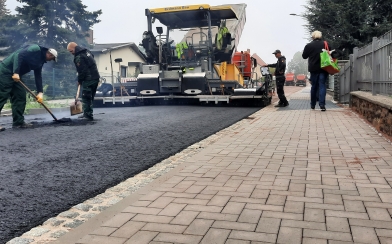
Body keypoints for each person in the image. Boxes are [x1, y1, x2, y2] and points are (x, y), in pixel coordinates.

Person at [0, 44, 57, 131]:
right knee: (2, 96)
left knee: (20, 96)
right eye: (52, 59)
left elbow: (38, 76)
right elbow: (19, 55)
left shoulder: (40, 62)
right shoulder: (35, 48)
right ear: (49, 54)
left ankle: (18, 122)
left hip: (17, 76)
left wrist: (40, 92)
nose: (50, 61)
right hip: (5, 71)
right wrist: (16, 72)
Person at [67, 42, 100, 121]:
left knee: (86, 97)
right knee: (90, 97)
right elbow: (92, 59)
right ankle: (88, 113)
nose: (71, 53)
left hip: (89, 79)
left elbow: (82, 70)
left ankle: (88, 115)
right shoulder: (86, 51)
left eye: (71, 51)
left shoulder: (79, 56)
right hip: (96, 77)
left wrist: (79, 80)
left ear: (75, 48)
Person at [302, 30, 331, 111]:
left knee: (314, 86)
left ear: (313, 37)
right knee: (322, 85)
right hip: (324, 68)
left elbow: (304, 56)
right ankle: (322, 105)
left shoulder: (309, 45)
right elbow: (330, 53)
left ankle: (313, 105)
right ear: (320, 36)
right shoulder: (325, 44)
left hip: (313, 69)